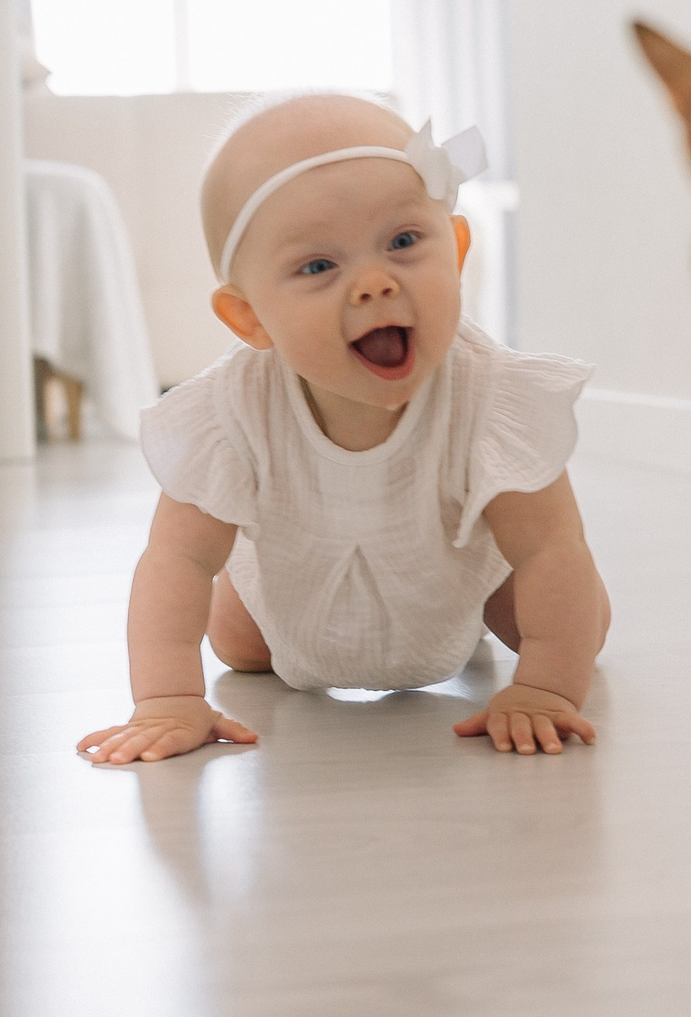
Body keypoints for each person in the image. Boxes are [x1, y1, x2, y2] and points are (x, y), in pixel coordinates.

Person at [77, 93, 612, 765]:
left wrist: (544, 688)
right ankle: (259, 608)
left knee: (571, 608)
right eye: (319, 265)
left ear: (457, 249)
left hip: (456, 582)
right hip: (295, 600)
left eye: (404, 241)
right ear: (250, 320)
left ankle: (488, 616)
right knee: (236, 639)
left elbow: (550, 547)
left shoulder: (490, 395)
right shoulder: (231, 411)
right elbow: (176, 560)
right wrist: (168, 699)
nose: (374, 283)